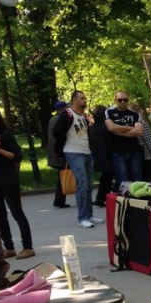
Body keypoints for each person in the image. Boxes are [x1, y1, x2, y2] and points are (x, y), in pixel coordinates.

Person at [0, 105, 34, 259]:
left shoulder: (5, 134)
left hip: (7, 178)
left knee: (16, 212)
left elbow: (17, 156)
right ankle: (9, 247)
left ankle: (28, 247)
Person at [52, 90, 103, 229]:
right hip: (73, 152)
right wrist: (63, 147)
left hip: (86, 152)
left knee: (88, 185)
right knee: (82, 184)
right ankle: (82, 218)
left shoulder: (83, 116)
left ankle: (89, 214)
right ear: (74, 100)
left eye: (85, 98)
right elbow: (57, 132)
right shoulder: (67, 114)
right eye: (82, 98)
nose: (84, 101)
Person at [104, 90, 144, 189]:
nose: (122, 102)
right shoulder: (109, 112)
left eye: (125, 100)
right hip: (118, 152)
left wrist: (119, 132)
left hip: (134, 151)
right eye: (120, 100)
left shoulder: (135, 114)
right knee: (122, 181)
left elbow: (139, 131)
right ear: (115, 100)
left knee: (137, 179)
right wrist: (131, 128)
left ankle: (138, 202)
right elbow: (111, 128)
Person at [89, 105, 115, 208]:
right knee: (108, 176)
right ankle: (103, 197)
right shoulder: (106, 127)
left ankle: (101, 196)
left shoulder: (92, 127)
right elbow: (110, 142)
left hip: (97, 154)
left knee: (105, 176)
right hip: (107, 154)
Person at [129, 102, 151, 182]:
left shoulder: (129, 125)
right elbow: (150, 143)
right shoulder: (142, 124)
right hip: (147, 156)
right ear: (139, 112)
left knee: (142, 180)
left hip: (135, 156)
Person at [47, 101, 70, 209]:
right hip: (60, 153)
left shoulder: (52, 119)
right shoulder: (61, 119)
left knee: (61, 176)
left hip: (54, 153)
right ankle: (59, 200)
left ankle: (60, 200)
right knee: (62, 177)